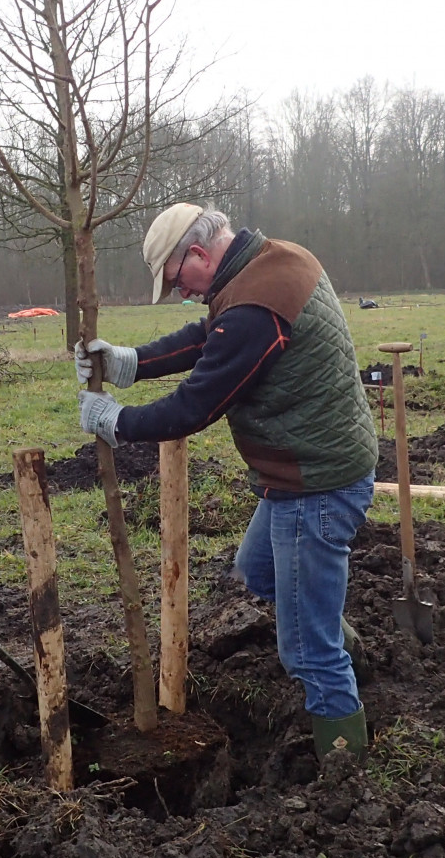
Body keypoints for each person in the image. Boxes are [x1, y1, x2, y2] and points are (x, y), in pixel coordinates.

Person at [75, 206, 377, 763]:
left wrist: (116, 422)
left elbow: (198, 403)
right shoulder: (269, 262)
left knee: (306, 650)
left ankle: (347, 766)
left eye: (176, 281)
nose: (182, 294)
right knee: (258, 571)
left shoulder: (257, 301)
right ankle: (347, 648)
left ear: (197, 255)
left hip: (315, 486)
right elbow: (210, 337)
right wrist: (131, 362)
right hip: (306, 472)